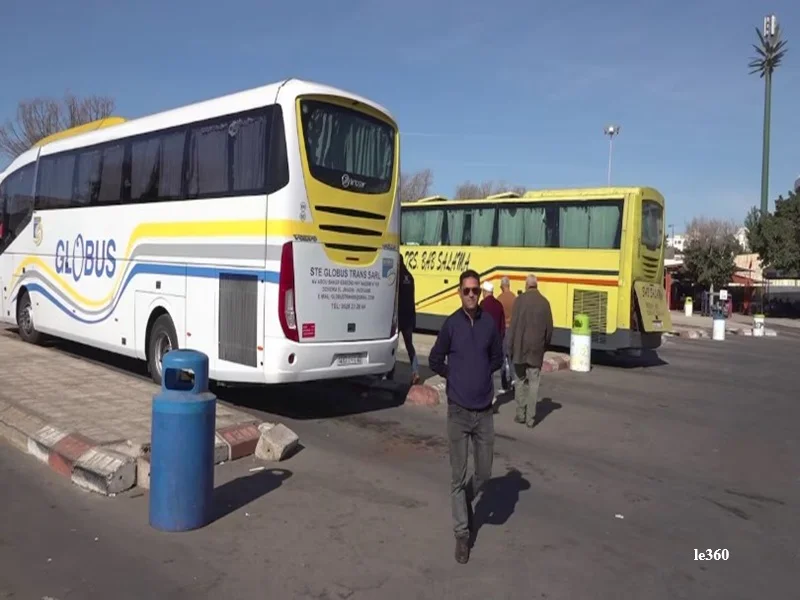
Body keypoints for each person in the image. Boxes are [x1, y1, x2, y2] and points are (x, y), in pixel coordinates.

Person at [428, 269, 503, 564]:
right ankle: (462, 534)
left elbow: (497, 356)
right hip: (458, 411)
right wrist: (453, 375)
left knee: (483, 473)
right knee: (457, 478)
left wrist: (484, 373)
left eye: (475, 290)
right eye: (466, 290)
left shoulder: (488, 325)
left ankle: (465, 504)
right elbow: (435, 359)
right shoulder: (451, 325)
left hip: (484, 411)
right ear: (459, 292)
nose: (471, 294)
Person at [506, 274, 553, 427]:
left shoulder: (519, 301)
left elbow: (512, 327)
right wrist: (544, 347)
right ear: (536, 285)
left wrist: (509, 347)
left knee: (519, 381)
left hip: (519, 348)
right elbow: (549, 330)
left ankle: (521, 414)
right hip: (536, 349)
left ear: (526, 286)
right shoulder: (545, 303)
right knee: (534, 383)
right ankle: (530, 418)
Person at [387, 254, 420, 385]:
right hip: (409, 317)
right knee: (409, 346)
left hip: (399, 317)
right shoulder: (410, 277)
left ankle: (389, 374)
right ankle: (416, 371)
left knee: (392, 346)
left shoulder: (396, 277)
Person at [497, 276, 517, 390]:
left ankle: (505, 384)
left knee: (503, 357)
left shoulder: (499, 299)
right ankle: (514, 380)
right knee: (512, 357)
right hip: (513, 330)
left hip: (504, 330)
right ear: (509, 285)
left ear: (502, 286)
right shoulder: (514, 298)